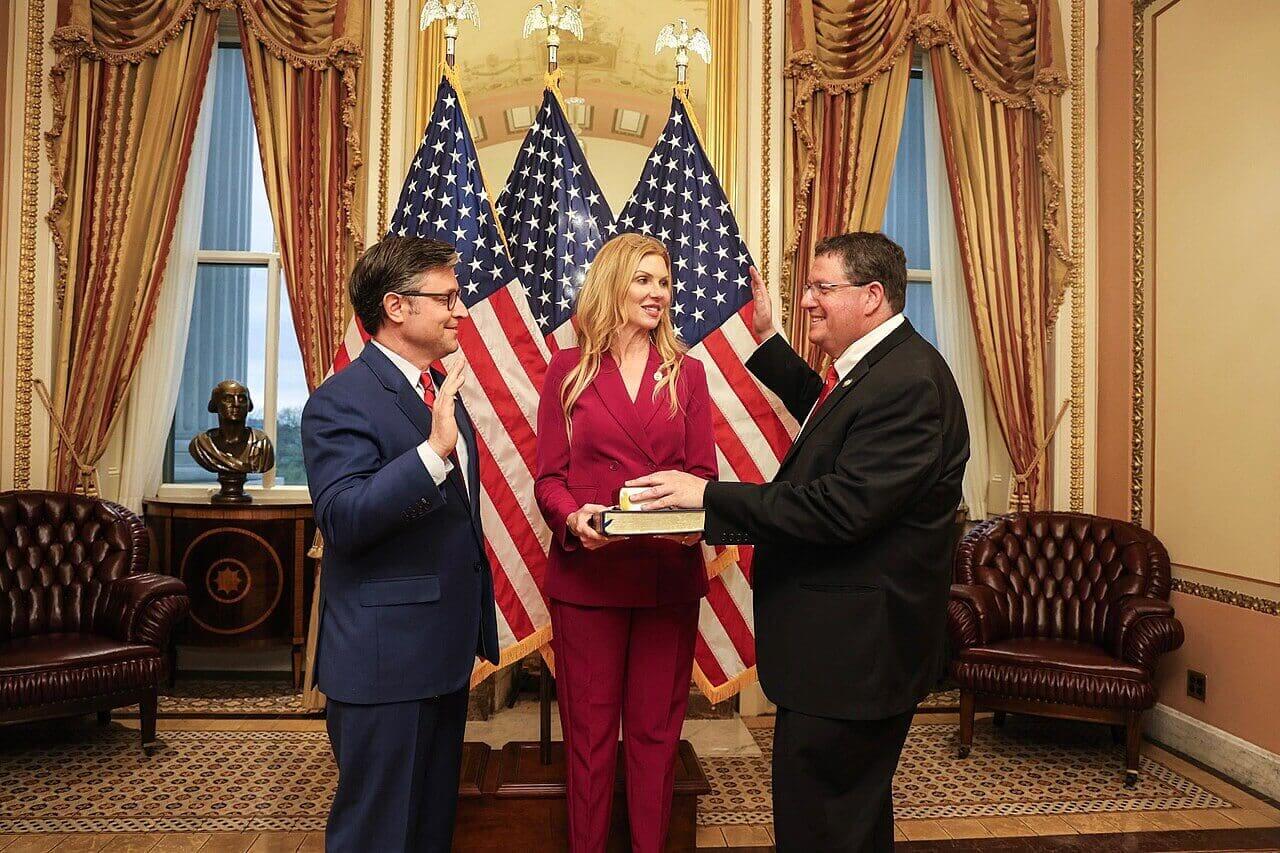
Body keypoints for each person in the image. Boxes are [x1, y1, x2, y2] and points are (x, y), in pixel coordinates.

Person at [628, 232, 969, 852]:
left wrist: (705, 495)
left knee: (823, 828)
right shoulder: (882, 370)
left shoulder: (910, 382)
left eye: (821, 288)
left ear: (871, 297)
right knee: (845, 823)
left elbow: (842, 508)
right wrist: (766, 340)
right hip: (841, 658)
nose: (807, 300)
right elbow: (833, 420)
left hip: (853, 659)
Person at [301, 236, 499, 852]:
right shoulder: (340, 400)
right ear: (396, 306)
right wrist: (433, 452)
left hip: (440, 653)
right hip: (383, 660)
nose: (460, 310)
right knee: (378, 835)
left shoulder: (437, 391)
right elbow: (345, 520)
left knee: (428, 830)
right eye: (447, 297)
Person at [534, 232, 717, 853]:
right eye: (643, 280)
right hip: (588, 578)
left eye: (664, 282)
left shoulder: (687, 374)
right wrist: (573, 518)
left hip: (667, 576)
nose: (657, 294)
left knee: (655, 737)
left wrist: (683, 505)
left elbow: (704, 477)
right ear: (612, 284)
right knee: (586, 742)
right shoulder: (565, 369)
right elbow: (549, 479)